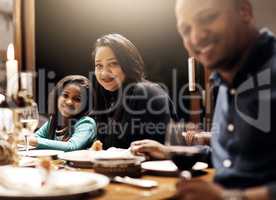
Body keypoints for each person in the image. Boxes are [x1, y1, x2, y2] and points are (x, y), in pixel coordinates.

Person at [132, 0, 276, 199]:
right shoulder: (225, 80)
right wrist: (169, 152)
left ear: (244, 11)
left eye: (208, 18)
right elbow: (233, 157)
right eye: (185, 29)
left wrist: (229, 197)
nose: (196, 36)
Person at [90, 33, 178, 149]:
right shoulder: (108, 98)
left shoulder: (146, 93)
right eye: (99, 65)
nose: (104, 73)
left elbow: (157, 151)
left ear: (128, 63)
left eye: (113, 63)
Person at [27, 75, 97, 152]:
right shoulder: (53, 121)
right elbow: (33, 138)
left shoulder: (86, 123)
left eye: (77, 99)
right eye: (65, 95)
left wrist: (35, 141)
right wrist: (31, 140)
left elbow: (72, 146)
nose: (69, 102)